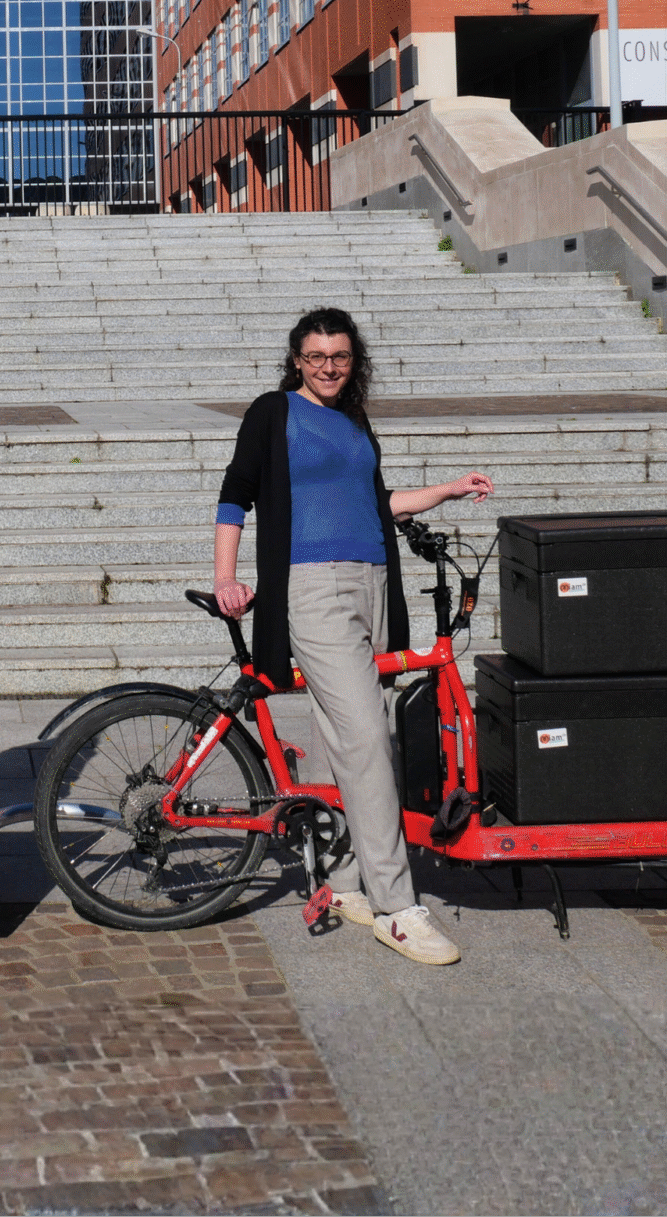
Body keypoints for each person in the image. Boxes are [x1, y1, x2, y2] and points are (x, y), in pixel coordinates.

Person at [213, 306, 493, 967]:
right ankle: (396, 907)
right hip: (312, 587)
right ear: (296, 360)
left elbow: (374, 502)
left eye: (338, 356)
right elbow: (234, 493)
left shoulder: (354, 420)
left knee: (337, 733)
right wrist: (225, 577)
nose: (327, 367)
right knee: (368, 738)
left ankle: (339, 882)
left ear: (352, 359)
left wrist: (447, 490)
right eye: (315, 357)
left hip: (373, 583)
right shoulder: (274, 413)